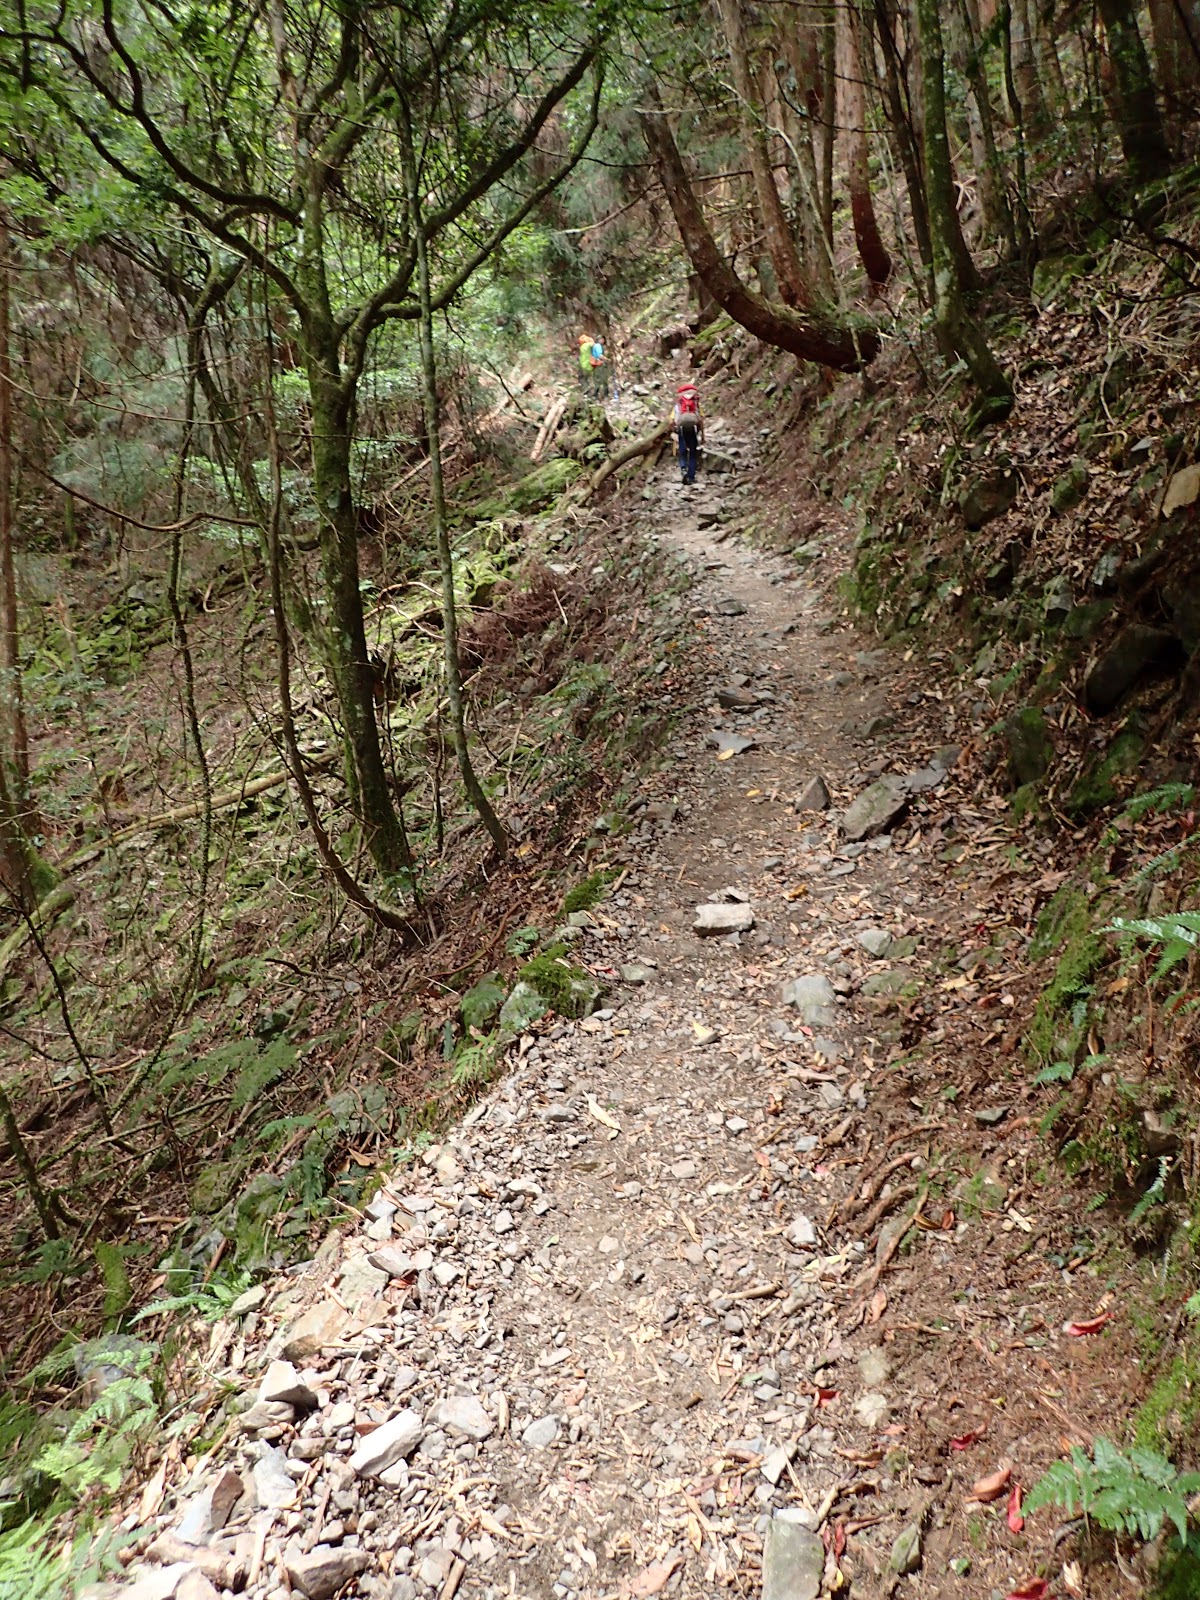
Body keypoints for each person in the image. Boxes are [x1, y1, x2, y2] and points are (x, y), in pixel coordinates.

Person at [673, 381, 704, 485]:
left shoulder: (679, 403)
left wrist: (674, 430)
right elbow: (701, 419)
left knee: (682, 450)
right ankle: (691, 476)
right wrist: (703, 435)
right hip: (693, 428)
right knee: (693, 452)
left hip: (681, 428)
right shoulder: (695, 403)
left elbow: (673, 420)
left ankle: (683, 469)